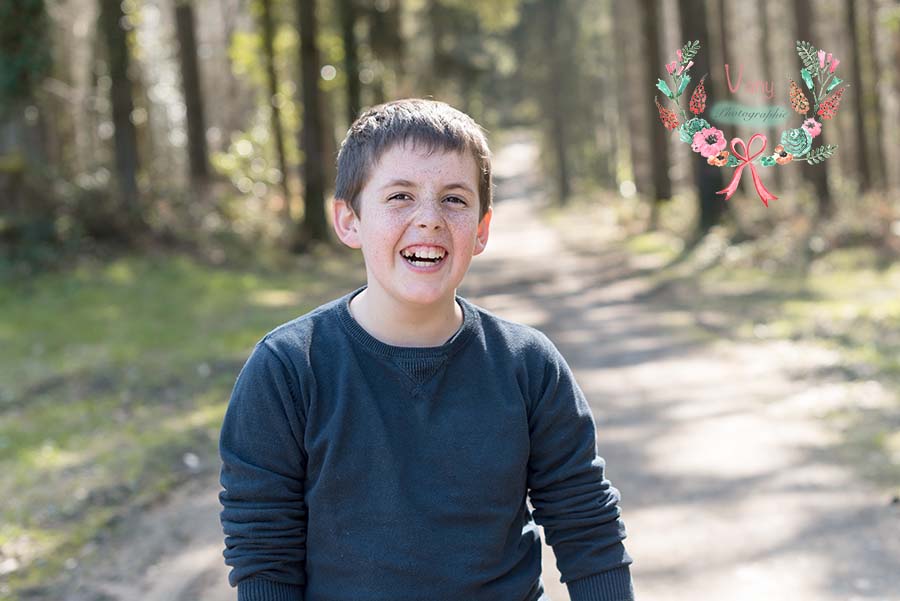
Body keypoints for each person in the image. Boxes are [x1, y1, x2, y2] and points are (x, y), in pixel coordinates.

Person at [218, 98, 634, 601]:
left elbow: (587, 529)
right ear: (349, 221)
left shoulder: (528, 366)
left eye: (454, 200)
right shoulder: (287, 369)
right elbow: (264, 557)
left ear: (481, 230)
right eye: (400, 197)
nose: (429, 219)